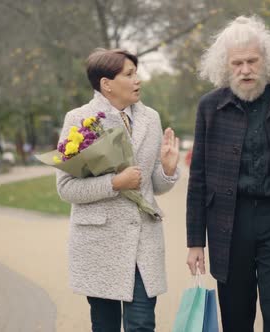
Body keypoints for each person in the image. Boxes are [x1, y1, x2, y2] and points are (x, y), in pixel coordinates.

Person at [186, 16, 270, 331]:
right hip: (228, 224)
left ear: (267, 61)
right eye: (237, 63)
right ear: (225, 65)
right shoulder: (210, 106)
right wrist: (195, 242)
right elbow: (198, 179)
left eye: (252, 61)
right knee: (236, 318)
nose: (245, 70)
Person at [56, 48, 180, 332]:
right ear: (106, 84)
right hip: (100, 245)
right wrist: (114, 183)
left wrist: (168, 169)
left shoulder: (151, 118)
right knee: (105, 326)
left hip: (143, 243)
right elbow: (66, 189)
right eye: (129, 74)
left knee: (142, 325)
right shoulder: (80, 120)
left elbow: (152, 186)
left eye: (136, 73)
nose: (138, 80)